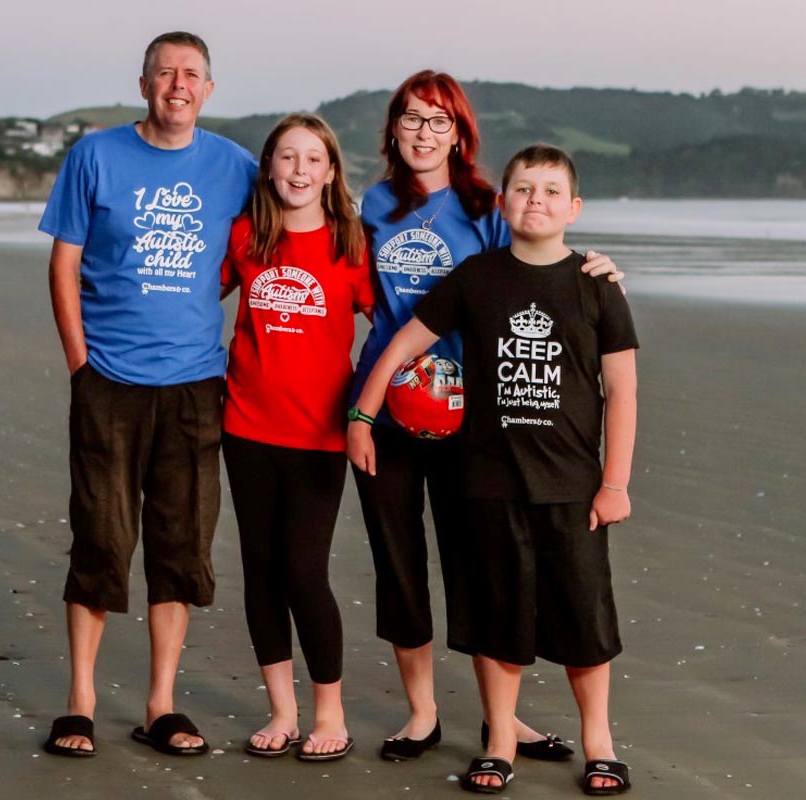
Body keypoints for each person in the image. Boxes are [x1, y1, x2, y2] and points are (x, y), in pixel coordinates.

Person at [349, 70, 622, 762]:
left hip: (474, 417)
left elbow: (541, 254)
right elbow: (342, 287)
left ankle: (505, 723)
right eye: (412, 118)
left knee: (484, 565)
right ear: (393, 128)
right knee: (399, 561)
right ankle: (421, 712)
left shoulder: (487, 206)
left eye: (440, 121)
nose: (424, 132)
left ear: (460, 133)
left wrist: (603, 269)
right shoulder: (371, 206)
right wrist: (357, 409)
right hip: (389, 408)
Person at [37, 31, 257, 758]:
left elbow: (298, 227)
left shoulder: (235, 166)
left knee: (180, 546)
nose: (178, 84)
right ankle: (81, 700)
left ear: (209, 90)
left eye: (191, 74)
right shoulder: (95, 156)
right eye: (165, 72)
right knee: (101, 538)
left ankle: (162, 703)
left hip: (195, 386)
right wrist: (80, 363)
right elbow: (63, 263)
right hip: (108, 381)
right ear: (144, 83)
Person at [220, 113, 373, 761]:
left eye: (313, 159)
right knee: (261, 569)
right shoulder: (246, 236)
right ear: (270, 167)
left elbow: (402, 325)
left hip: (319, 436)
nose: (299, 171)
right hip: (246, 426)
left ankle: (328, 713)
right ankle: (282, 710)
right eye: (287, 158)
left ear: (331, 172)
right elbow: (187, 295)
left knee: (305, 571)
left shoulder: (351, 244)